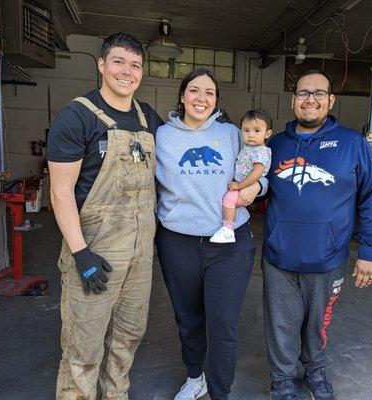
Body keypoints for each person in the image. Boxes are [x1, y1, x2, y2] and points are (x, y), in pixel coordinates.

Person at [47, 32, 163, 399]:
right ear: (101, 64)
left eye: (135, 65)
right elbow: (60, 191)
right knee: (84, 345)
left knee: (128, 337)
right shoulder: (76, 116)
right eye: (118, 62)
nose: (126, 72)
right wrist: (81, 254)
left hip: (140, 254)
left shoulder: (150, 119)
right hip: (95, 252)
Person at [263, 69, 372, 400]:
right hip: (279, 256)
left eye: (318, 93)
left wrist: (370, 251)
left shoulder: (353, 144)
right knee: (280, 325)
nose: (310, 99)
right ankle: (282, 382)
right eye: (303, 93)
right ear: (293, 101)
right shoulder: (274, 145)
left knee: (318, 324)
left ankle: (314, 373)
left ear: (330, 100)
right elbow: (251, 186)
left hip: (328, 258)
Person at [155, 68, 267, 400]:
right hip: (178, 242)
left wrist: (259, 186)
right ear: (182, 96)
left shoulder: (233, 134)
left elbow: (261, 164)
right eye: (194, 90)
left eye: (209, 93)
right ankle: (195, 378)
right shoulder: (161, 136)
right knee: (188, 319)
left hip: (229, 242)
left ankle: (220, 392)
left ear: (217, 100)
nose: (201, 98)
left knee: (223, 325)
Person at [210, 109, 272, 243]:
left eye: (256, 131)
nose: (250, 135)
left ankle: (228, 229)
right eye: (246, 130)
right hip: (242, 183)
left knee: (229, 200)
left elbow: (257, 173)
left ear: (267, 134)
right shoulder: (249, 148)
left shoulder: (260, 152)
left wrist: (239, 185)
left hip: (245, 185)